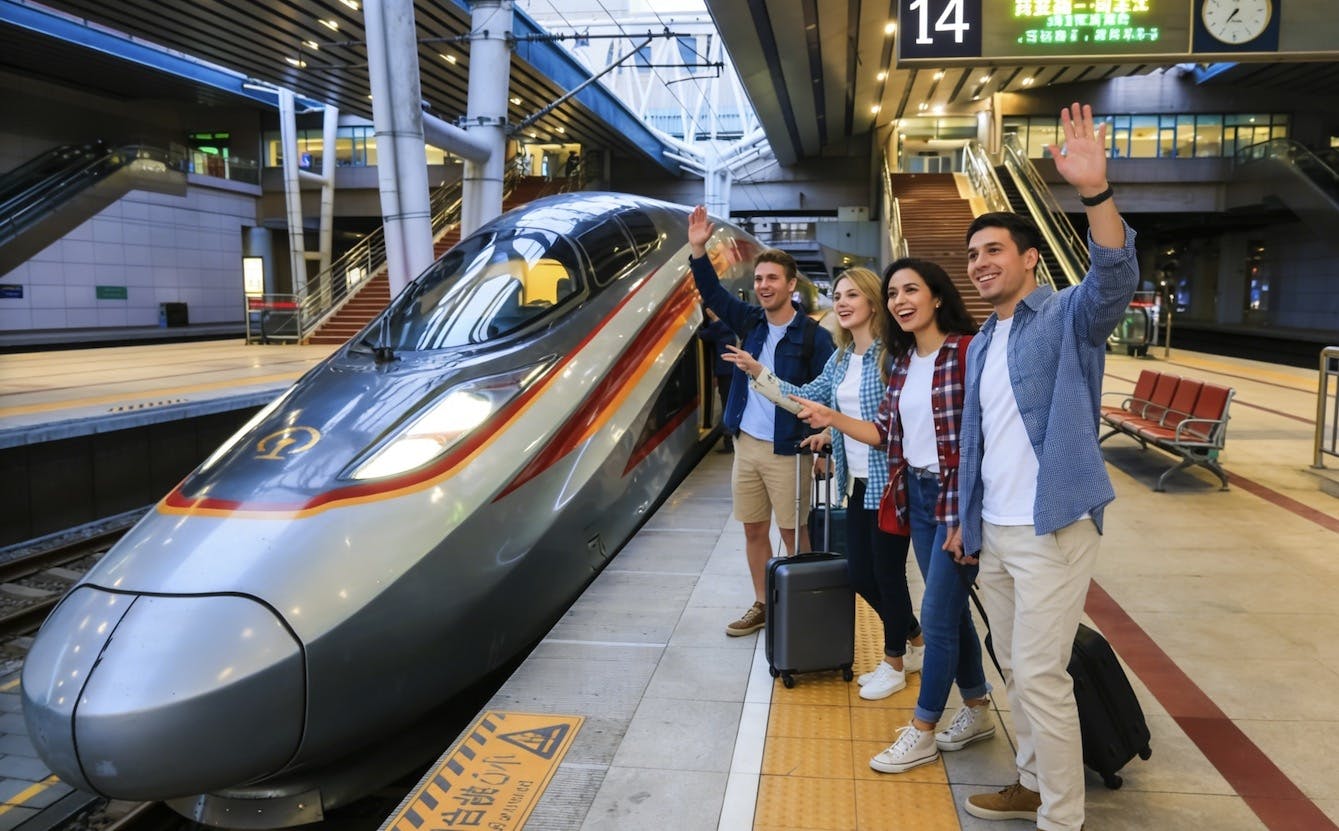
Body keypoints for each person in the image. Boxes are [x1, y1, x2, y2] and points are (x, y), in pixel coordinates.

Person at [954, 102, 1139, 831]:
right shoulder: (978, 343)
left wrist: (1094, 192)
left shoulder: (1063, 316)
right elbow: (974, 444)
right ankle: (1031, 780)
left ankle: (1062, 816)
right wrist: (963, 526)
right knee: (1013, 668)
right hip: (995, 534)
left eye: (993, 250)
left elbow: (1114, 282)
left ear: (1028, 257)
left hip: (1052, 526)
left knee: (1037, 672)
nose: (979, 264)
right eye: (972, 256)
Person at [722, 267, 925, 699]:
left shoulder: (891, 357)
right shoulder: (841, 357)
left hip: (888, 484)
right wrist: (760, 373)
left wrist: (834, 423)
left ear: (873, 301)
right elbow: (804, 399)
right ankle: (916, 642)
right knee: (860, 574)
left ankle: (895, 660)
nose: (843, 302)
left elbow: (890, 425)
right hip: (854, 482)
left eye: (853, 294)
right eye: (838, 295)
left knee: (886, 575)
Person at [687, 205, 834, 637]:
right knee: (754, 528)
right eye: (758, 279)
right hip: (747, 443)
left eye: (772, 279)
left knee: (794, 533)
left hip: (789, 449)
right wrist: (699, 249)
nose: (763, 286)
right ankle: (763, 603)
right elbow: (712, 295)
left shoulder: (814, 337)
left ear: (791, 286)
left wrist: (824, 439)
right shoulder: (750, 321)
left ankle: (806, 608)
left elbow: (825, 394)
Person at [699, 307, 737, 453]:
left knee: (727, 404)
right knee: (728, 403)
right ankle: (730, 439)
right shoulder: (725, 325)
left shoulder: (720, 327)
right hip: (728, 372)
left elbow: (703, 335)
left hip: (726, 373)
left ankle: (730, 441)